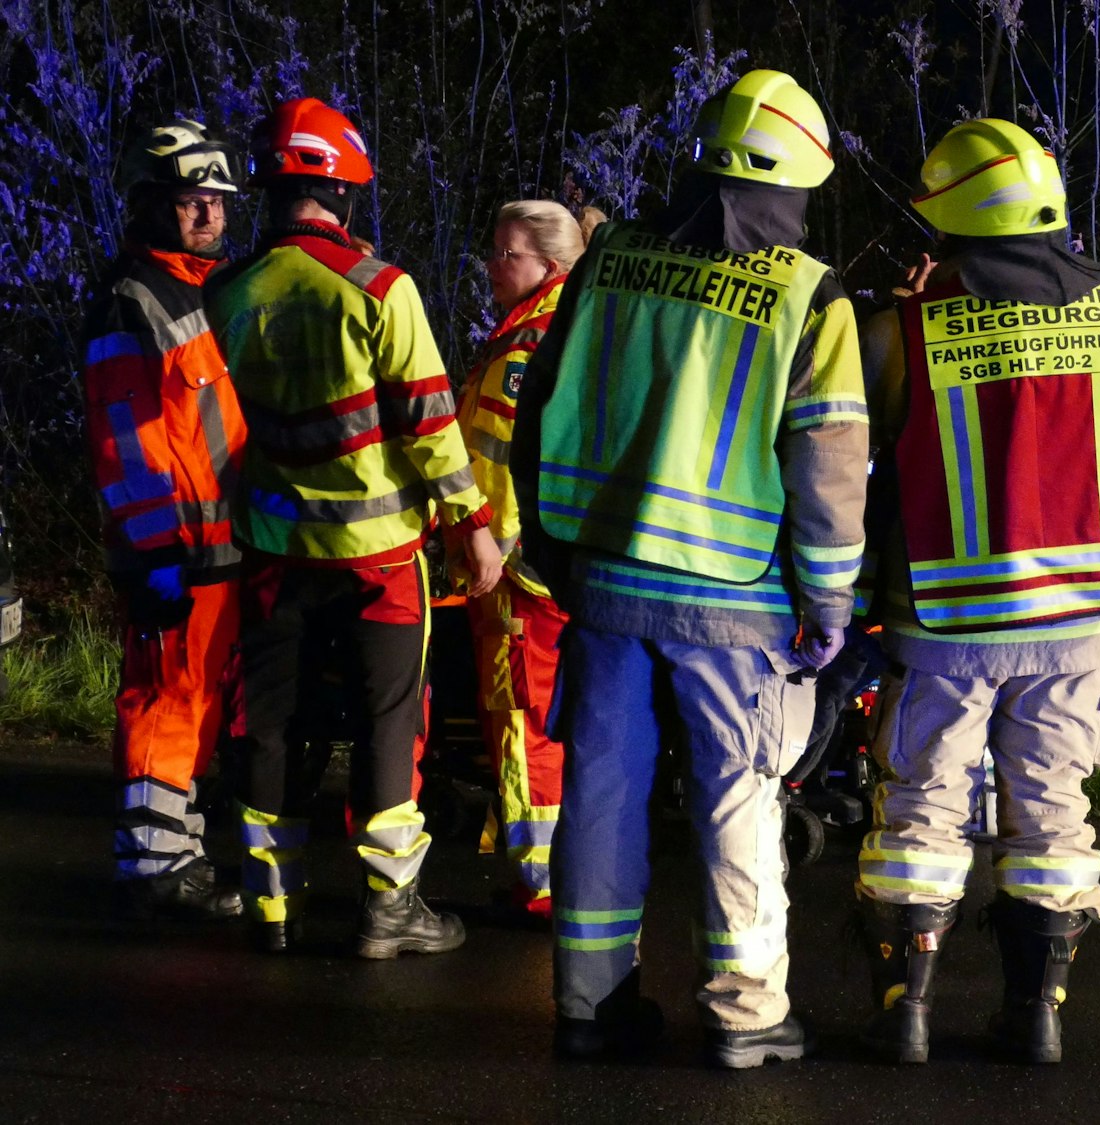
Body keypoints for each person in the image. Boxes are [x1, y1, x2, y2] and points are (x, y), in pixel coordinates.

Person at [512, 69, 866, 1068]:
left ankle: (588, 1007)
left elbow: (538, 410)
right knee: (736, 799)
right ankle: (746, 1018)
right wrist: (829, 601)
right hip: (734, 596)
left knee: (600, 795)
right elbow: (827, 466)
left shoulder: (608, 259)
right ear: (794, 183)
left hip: (607, 584)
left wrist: (552, 546)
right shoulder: (806, 294)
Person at [854, 117, 1100, 1065]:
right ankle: (1038, 1013)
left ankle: (904, 1011)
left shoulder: (902, 329)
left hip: (951, 618)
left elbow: (859, 430)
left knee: (921, 809)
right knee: (1052, 812)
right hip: (1082, 619)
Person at [206, 96, 504, 957]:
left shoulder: (227, 290)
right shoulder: (382, 288)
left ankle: (270, 904)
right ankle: (388, 907)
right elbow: (430, 424)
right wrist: (471, 524)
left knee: (267, 723)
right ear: (345, 192)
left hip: (268, 553)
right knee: (389, 723)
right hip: (378, 559)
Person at [84, 118, 248, 920]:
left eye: (215, 201)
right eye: (190, 202)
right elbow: (127, 440)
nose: (208, 216)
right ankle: (152, 868)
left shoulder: (193, 290)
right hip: (172, 548)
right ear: (150, 205)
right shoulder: (134, 298)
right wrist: (154, 551)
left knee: (194, 701)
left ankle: (173, 849)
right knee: (164, 700)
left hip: (213, 547)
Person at [455, 200, 602, 918]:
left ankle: (541, 879)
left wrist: (491, 544)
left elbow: (507, 461)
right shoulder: (568, 327)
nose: (491, 265)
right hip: (560, 561)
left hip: (516, 570)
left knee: (521, 720)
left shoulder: (525, 346)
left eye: (506, 253)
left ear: (547, 264)